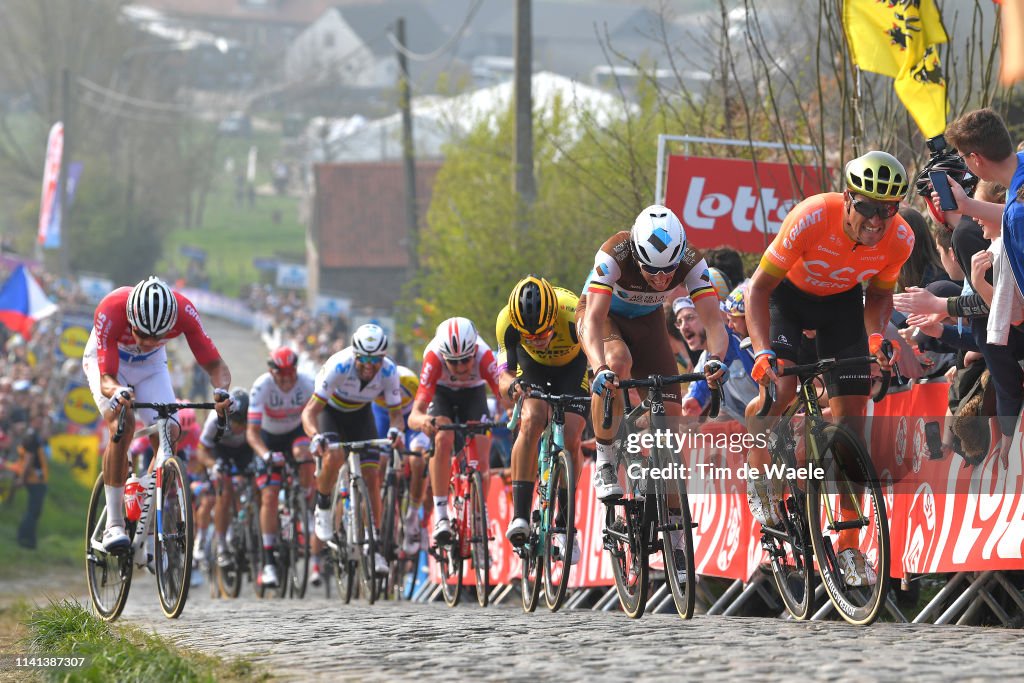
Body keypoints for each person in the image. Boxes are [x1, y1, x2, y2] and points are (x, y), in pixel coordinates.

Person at [745, 151, 913, 587]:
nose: (878, 220)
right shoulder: (812, 216)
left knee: (851, 429)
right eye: (869, 208)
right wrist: (763, 351)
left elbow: (877, 296)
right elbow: (758, 290)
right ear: (848, 198)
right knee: (779, 393)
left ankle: (850, 548)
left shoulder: (901, 239)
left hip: (841, 309)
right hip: (787, 302)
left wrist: (876, 337)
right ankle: (761, 474)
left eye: (889, 209)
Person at [578, 205, 728, 502]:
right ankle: (606, 459)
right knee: (617, 361)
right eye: (652, 270)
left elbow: (713, 320)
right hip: (604, 317)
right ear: (635, 255)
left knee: (670, 427)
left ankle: (676, 537)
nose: (661, 279)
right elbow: (593, 319)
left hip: (649, 321)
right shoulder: (614, 253)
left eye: (668, 271)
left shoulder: (692, 261)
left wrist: (715, 359)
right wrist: (598, 368)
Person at [83, 276, 233, 552]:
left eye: (158, 337)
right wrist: (118, 391)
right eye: (143, 334)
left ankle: (146, 506)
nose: (150, 341)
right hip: (109, 363)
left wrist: (222, 392)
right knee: (123, 423)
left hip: (151, 367)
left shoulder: (185, 312)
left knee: (170, 429)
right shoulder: (111, 309)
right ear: (131, 318)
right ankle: (114, 523)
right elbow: (107, 378)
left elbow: (215, 365)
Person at [496, 275, 588, 565]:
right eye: (530, 336)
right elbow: (504, 375)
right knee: (532, 419)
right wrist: (512, 388)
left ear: (553, 319)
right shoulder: (507, 323)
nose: (539, 340)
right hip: (531, 368)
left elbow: (598, 355)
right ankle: (520, 515)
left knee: (572, 434)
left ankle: (565, 524)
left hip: (573, 368)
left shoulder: (573, 312)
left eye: (544, 333)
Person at [303, 324, 404, 576]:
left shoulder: (389, 370)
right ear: (355, 354)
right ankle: (324, 506)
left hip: (361, 416)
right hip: (331, 413)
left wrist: (395, 432)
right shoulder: (340, 365)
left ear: (383, 357)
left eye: (376, 359)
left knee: (372, 476)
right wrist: (315, 437)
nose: (370, 365)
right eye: (365, 359)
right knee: (334, 455)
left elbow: (396, 416)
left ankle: (375, 545)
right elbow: (310, 412)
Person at [408, 317, 503, 546]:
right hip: (442, 394)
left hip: (474, 394)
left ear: (474, 352)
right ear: (443, 356)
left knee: (482, 448)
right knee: (443, 436)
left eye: (465, 360)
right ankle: (441, 514)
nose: (460, 368)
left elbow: (505, 396)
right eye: (453, 362)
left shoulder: (485, 355)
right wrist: (425, 421)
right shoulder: (433, 358)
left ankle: (480, 512)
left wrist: (510, 415)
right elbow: (414, 414)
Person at [246, 347, 317, 587]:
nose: (287, 380)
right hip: (268, 437)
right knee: (270, 495)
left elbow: (317, 417)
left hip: (296, 432)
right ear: (271, 372)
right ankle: (268, 562)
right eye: (281, 374)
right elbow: (252, 433)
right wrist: (266, 456)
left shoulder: (307, 383)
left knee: (304, 454)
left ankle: (305, 501)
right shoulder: (262, 386)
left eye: (291, 373)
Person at [370, 364, 430, 555]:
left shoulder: (408, 381)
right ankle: (378, 508)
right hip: (383, 417)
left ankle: (412, 517)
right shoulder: (369, 382)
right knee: (377, 466)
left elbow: (425, 407)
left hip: (410, 418)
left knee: (419, 461)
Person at [195, 388, 251, 572]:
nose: (239, 427)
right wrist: (213, 466)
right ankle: (221, 546)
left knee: (257, 483)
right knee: (224, 492)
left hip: (244, 450)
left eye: (244, 422)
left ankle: (253, 534)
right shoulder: (214, 421)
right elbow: (201, 451)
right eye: (236, 422)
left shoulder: (254, 420)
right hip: (220, 451)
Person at [15, 427, 47, 549]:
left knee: (35, 512)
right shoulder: (32, 438)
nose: (47, 431)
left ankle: (31, 541)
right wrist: (22, 479)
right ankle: (23, 538)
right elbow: (28, 459)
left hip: (38, 480)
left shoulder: (34, 438)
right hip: (35, 481)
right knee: (33, 511)